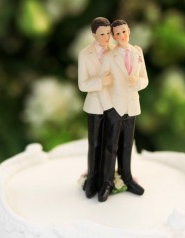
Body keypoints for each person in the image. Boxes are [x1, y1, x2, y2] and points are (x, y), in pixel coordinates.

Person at [98, 19, 149, 202]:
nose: (121, 36)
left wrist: (138, 83)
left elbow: (145, 79)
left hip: (132, 106)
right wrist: (109, 108)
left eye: (124, 31)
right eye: (117, 33)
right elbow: (102, 85)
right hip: (115, 107)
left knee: (127, 145)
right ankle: (107, 181)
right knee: (111, 146)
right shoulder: (109, 57)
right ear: (113, 36)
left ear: (129, 31)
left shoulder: (137, 52)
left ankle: (126, 177)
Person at [78, 17, 113, 198]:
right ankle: (92, 178)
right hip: (94, 105)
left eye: (108, 33)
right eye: (102, 34)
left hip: (113, 104)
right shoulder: (85, 54)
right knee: (94, 144)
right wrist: (100, 81)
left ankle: (107, 180)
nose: (106, 37)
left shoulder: (116, 51)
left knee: (110, 144)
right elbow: (83, 85)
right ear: (93, 35)